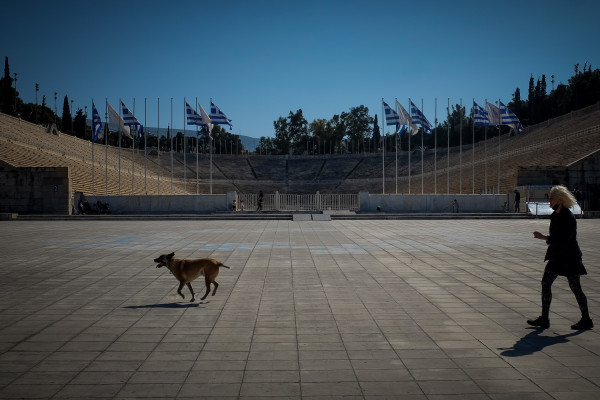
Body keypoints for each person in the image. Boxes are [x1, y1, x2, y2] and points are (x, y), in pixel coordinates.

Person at [527, 185, 593, 330]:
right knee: (546, 283)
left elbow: (564, 239)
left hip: (569, 257)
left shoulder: (568, 217)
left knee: (575, 288)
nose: (549, 201)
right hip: (556, 256)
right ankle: (544, 319)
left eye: (551, 198)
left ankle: (586, 319)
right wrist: (547, 239)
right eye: (548, 198)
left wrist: (544, 237)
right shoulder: (555, 215)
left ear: (560, 200)